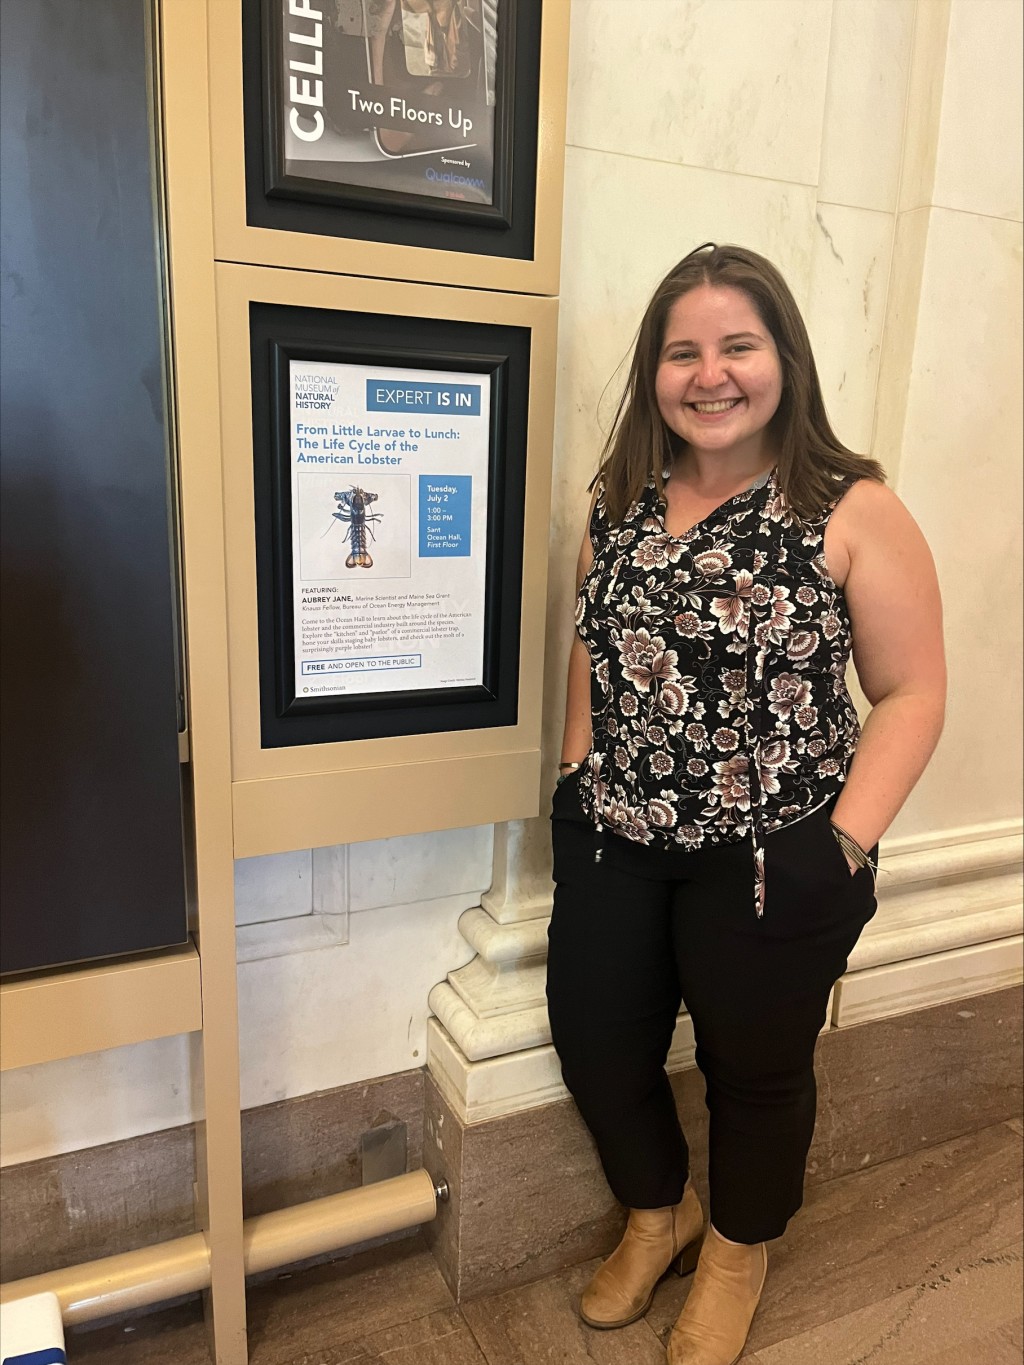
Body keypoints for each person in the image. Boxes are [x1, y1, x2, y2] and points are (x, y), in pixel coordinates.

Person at [546, 243, 946, 1365]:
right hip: (616, 839)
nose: (708, 374)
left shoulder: (849, 507)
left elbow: (912, 692)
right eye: (683, 351)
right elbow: (591, 647)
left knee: (754, 1070)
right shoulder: (618, 499)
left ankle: (735, 1245)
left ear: (783, 362)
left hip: (776, 862)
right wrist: (576, 777)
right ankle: (654, 1211)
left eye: (736, 346)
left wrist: (845, 845)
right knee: (594, 1040)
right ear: (654, 370)